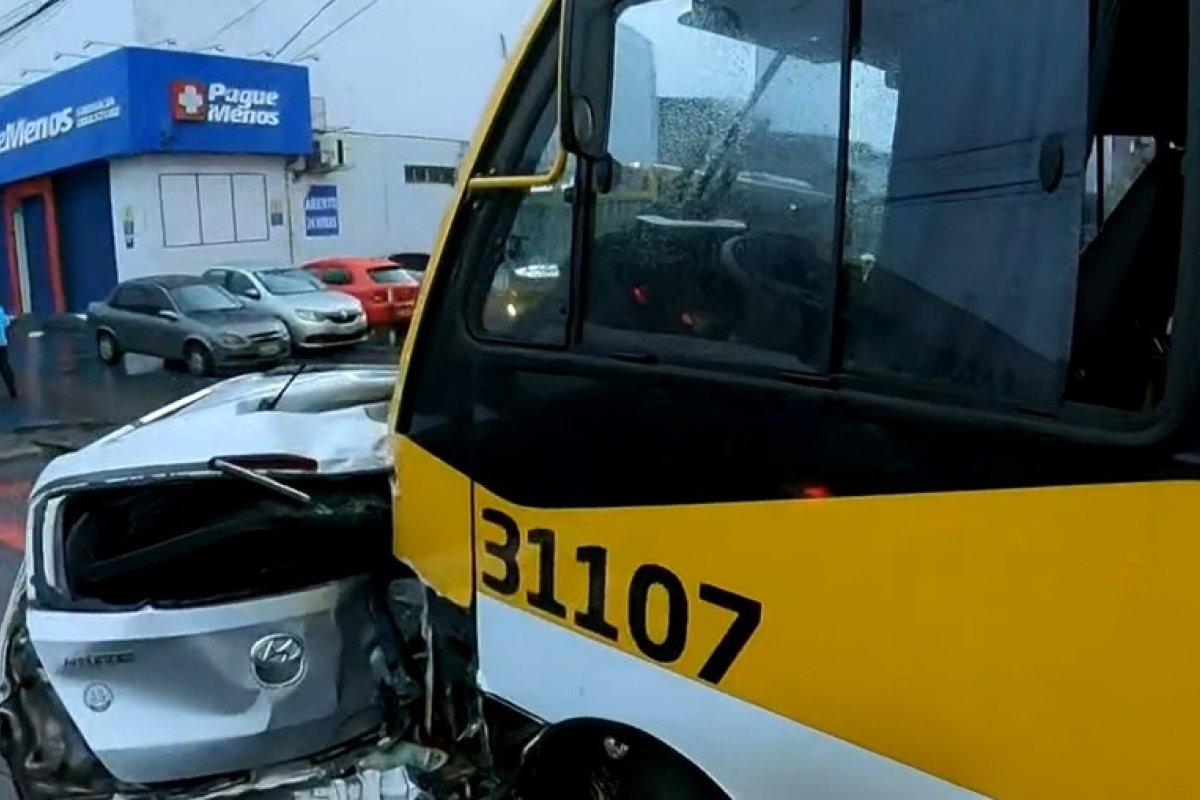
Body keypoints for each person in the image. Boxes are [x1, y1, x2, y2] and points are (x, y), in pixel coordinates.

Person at [0, 304, 18, 399]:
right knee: (4, 366)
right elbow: (5, 322)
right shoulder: (0, 309)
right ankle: (12, 390)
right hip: (1, 342)